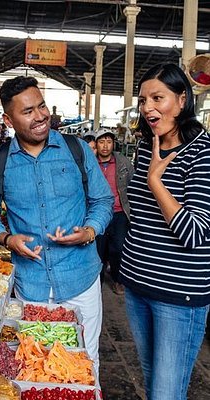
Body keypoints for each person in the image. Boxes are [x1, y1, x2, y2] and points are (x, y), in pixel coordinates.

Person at [0, 76, 113, 373]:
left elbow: (102, 201)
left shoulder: (77, 150)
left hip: (80, 279)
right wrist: (7, 239)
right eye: (28, 111)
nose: (40, 116)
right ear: (9, 120)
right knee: (35, 363)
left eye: (42, 106)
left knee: (85, 361)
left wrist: (88, 231)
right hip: (30, 285)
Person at [119, 63, 210, 400]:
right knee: (151, 381)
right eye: (143, 100)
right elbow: (139, 216)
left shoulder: (203, 153)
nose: (147, 108)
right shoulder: (147, 147)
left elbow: (194, 232)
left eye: (158, 98)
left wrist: (156, 181)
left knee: (166, 393)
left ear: (182, 100)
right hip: (137, 286)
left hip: (178, 296)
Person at [94, 128, 134, 294]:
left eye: (109, 142)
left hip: (119, 213)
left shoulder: (123, 162)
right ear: (96, 144)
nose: (105, 146)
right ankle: (98, 283)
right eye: (101, 141)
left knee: (118, 249)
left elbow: (133, 185)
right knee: (98, 250)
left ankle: (118, 280)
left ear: (113, 144)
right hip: (97, 214)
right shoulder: (90, 162)